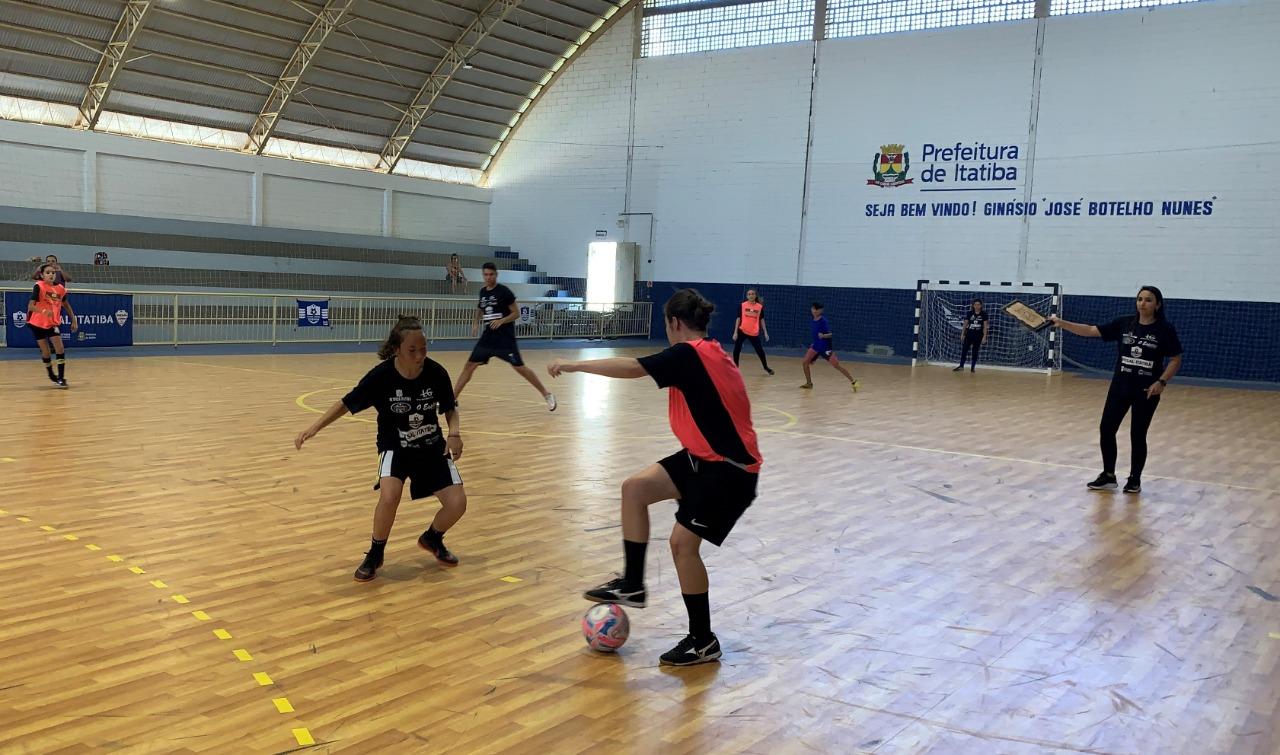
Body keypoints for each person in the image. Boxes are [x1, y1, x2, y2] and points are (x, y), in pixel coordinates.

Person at [547, 289, 761, 666]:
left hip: (730, 471)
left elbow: (631, 367)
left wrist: (575, 365)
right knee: (635, 489)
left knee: (682, 545)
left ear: (674, 323)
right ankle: (632, 584)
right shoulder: (708, 351)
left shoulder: (689, 354)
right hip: (702, 459)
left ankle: (703, 640)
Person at [294, 316, 468, 581]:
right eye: (413, 350)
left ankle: (433, 538)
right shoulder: (381, 377)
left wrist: (454, 433)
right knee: (389, 495)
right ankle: (375, 553)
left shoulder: (436, 373)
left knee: (457, 504)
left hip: (431, 447)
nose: (420, 355)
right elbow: (346, 402)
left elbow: (449, 407)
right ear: (397, 349)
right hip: (395, 447)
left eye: (424, 348)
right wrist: (315, 427)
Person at [1048, 286, 1183, 494]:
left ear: (1158, 304)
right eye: (1140, 299)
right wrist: (1062, 323)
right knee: (1106, 429)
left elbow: (1175, 359)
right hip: (1120, 387)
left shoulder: (1165, 329)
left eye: (1148, 300)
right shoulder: (1124, 323)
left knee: (1138, 434)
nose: (1143, 303)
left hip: (1147, 390)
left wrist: (1162, 382)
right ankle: (1108, 475)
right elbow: (1091, 330)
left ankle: (1134, 479)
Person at [453, 262, 556, 411]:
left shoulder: (504, 292)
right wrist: (475, 323)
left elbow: (516, 313)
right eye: (486, 275)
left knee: (520, 368)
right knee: (469, 366)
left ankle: (547, 394)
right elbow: (480, 309)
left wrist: (501, 321)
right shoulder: (483, 292)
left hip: (505, 339)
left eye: (491, 274)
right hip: (488, 338)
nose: (488, 277)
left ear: (496, 274)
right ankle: (452, 399)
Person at [27, 263, 78, 388]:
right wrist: (44, 311)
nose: (51, 275)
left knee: (60, 349)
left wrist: (74, 320)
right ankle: (51, 374)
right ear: (42, 275)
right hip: (37, 323)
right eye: (48, 273)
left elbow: (66, 305)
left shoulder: (60, 288)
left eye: (53, 273)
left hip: (51, 323)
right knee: (46, 352)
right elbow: (31, 306)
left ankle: (61, 378)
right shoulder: (39, 286)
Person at [800, 302, 858, 391]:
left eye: (817, 309)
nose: (814, 311)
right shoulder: (813, 320)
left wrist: (823, 336)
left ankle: (853, 381)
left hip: (825, 348)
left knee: (836, 365)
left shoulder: (823, 321)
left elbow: (830, 334)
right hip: (815, 346)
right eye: (813, 309)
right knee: (805, 362)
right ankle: (809, 383)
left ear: (820, 311)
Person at [732, 288, 773, 375]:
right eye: (749, 294)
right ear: (747, 296)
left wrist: (765, 333)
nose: (751, 295)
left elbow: (762, 320)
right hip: (742, 330)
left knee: (760, 350)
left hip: (753, 333)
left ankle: (766, 367)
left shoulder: (759, 307)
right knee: (737, 349)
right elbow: (738, 318)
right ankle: (736, 367)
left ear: (755, 296)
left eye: (752, 294)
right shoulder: (742, 305)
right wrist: (735, 332)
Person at [954, 299, 989, 372]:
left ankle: (972, 368)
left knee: (975, 351)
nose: (977, 306)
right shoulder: (970, 313)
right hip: (969, 334)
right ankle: (961, 366)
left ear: (981, 305)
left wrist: (984, 337)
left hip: (978, 335)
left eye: (978, 305)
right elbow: (965, 324)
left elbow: (985, 326)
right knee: (964, 350)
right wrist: (962, 334)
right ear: (973, 305)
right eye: (975, 304)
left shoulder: (984, 314)